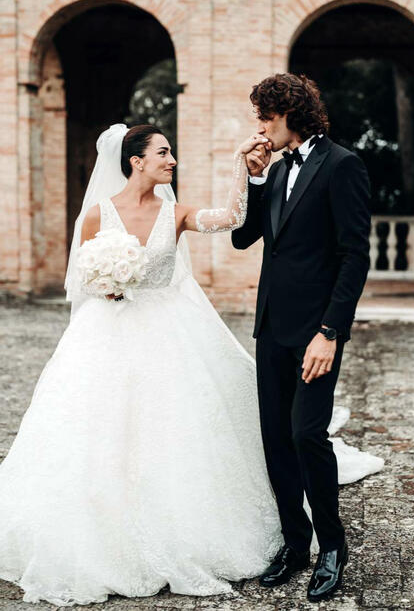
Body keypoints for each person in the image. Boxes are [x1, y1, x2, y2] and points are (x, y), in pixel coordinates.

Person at [0, 121, 382, 607]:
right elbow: (82, 279)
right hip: (106, 336)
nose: (172, 160)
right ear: (136, 161)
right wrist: (110, 283)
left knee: (173, 430)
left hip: (166, 333)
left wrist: (240, 170)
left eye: (172, 152)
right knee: (96, 431)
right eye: (163, 152)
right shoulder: (97, 217)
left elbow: (232, 220)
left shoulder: (174, 213)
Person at [232, 73, 378, 603]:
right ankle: (295, 545)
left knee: (305, 435)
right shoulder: (273, 169)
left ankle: (331, 548)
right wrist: (252, 178)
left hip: (317, 332)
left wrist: (330, 332)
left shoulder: (343, 166)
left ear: (290, 112)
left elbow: (354, 255)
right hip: (271, 327)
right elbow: (243, 237)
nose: (260, 126)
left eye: (265, 116)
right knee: (274, 439)